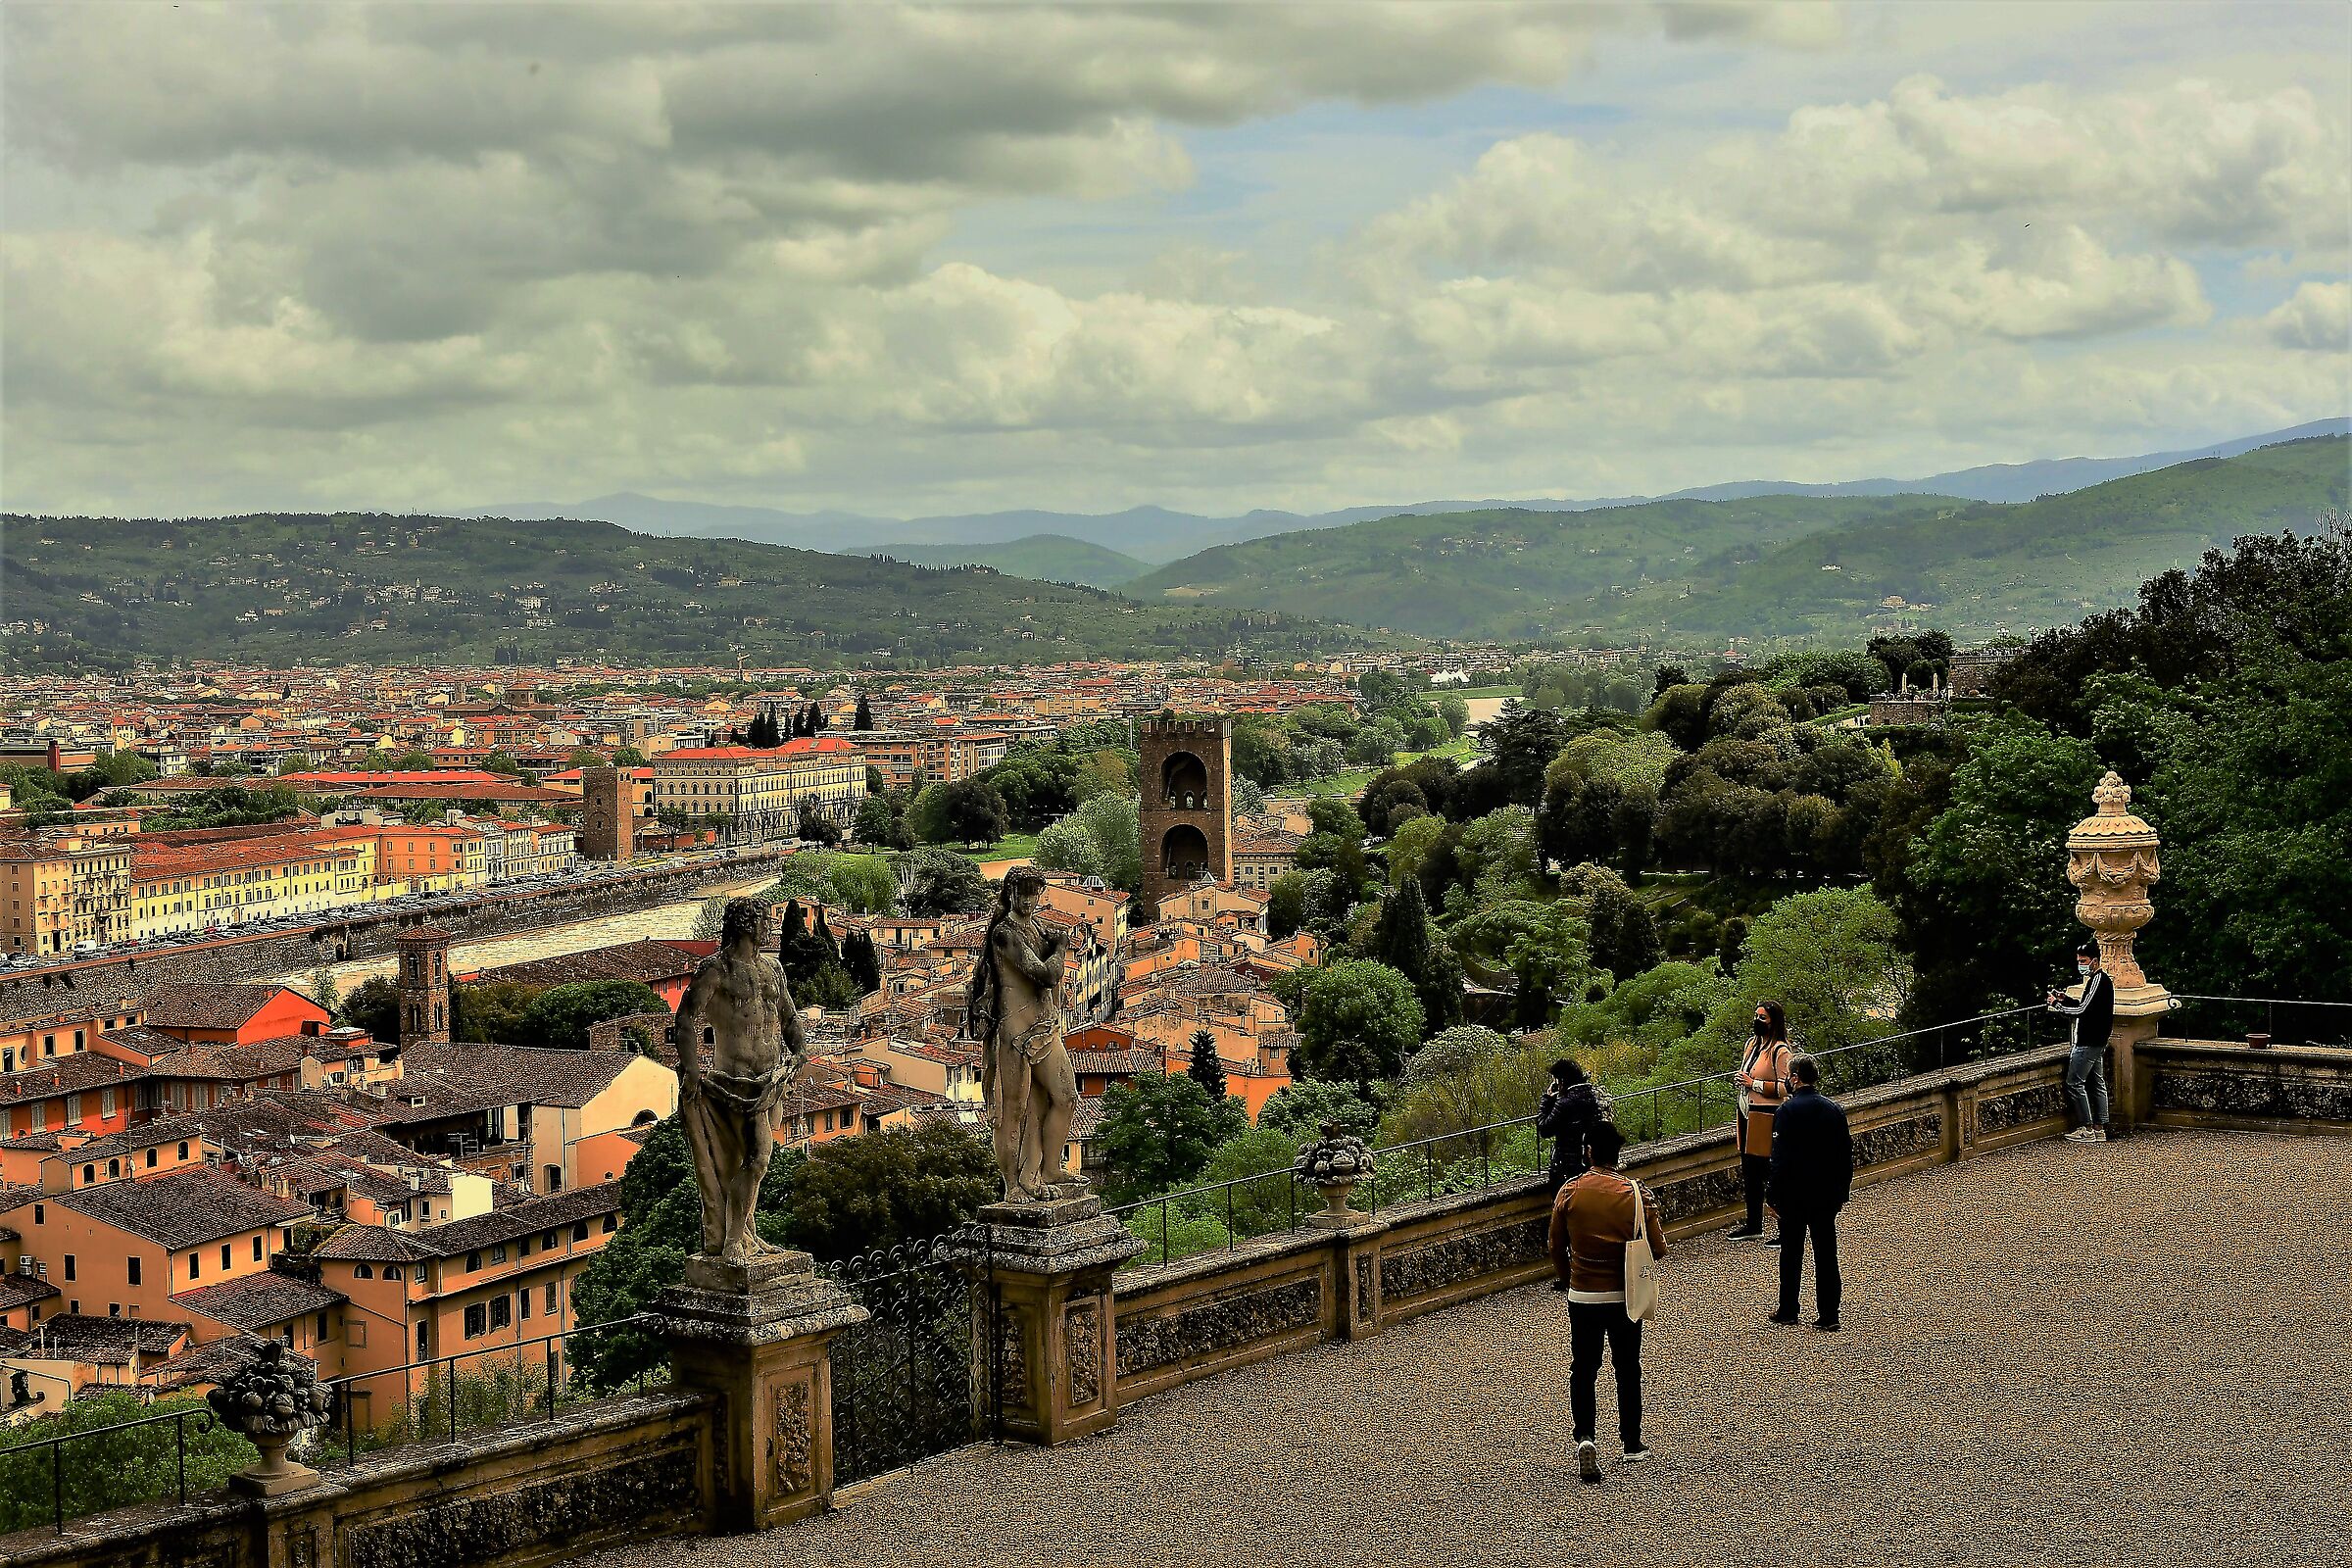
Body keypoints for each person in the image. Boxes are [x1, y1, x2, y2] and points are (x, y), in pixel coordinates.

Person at [1548, 1122, 1666, 1483]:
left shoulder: (1569, 1192)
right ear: (1618, 1154)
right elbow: (1658, 1248)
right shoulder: (1636, 1194)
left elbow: (1555, 1245)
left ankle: (1585, 1436)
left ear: (1587, 1152)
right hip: (1623, 1294)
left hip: (1583, 1293)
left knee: (1583, 1367)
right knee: (1628, 1367)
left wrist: (1569, 1278)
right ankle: (1631, 1443)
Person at [1767, 1056, 1852, 1332]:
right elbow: (1845, 1157)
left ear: (1794, 1077)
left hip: (1794, 1194)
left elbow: (1778, 1159)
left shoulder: (1787, 1111)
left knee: (1791, 1253)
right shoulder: (1834, 1110)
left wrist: (1772, 1195)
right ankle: (1829, 1313)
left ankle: (1789, 1309)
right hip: (1825, 1194)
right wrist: (1842, 1193)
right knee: (1826, 1253)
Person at [1729, 1002, 1791, 1244]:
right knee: (1750, 1173)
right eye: (1756, 1016)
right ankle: (1753, 1224)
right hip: (1746, 1115)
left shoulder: (1781, 1051)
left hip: (1767, 1117)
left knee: (1770, 1174)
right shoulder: (1751, 1045)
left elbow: (1786, 1087)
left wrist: (1753, 1084)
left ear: (1773, 1021)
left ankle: (1785, 1227)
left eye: (1762, 1017)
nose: (1757, 1020)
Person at [2048, 943, 2114, 1143]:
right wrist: (2065, 999)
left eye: (2083, 961)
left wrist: (2057, 1006)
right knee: (2097, 1083)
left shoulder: (2098, 981)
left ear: (2094, 961)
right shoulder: (2098, 981)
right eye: (2079, 961)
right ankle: (2100, 1128)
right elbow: (2085, 1006)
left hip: (2088, 1041)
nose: (2081, 965)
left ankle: (2087, 1128)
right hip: (2097, 1040)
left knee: (2075, 1083)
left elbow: (2082, 1010)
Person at [1537, 1057, 1609, 1194]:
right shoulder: (1590, 1097)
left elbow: (1545, 1129)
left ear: (1562, 1081)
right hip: (1588, 1164)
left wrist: (1547, 1099)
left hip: (1567, 1168)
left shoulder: (1564, 1103)